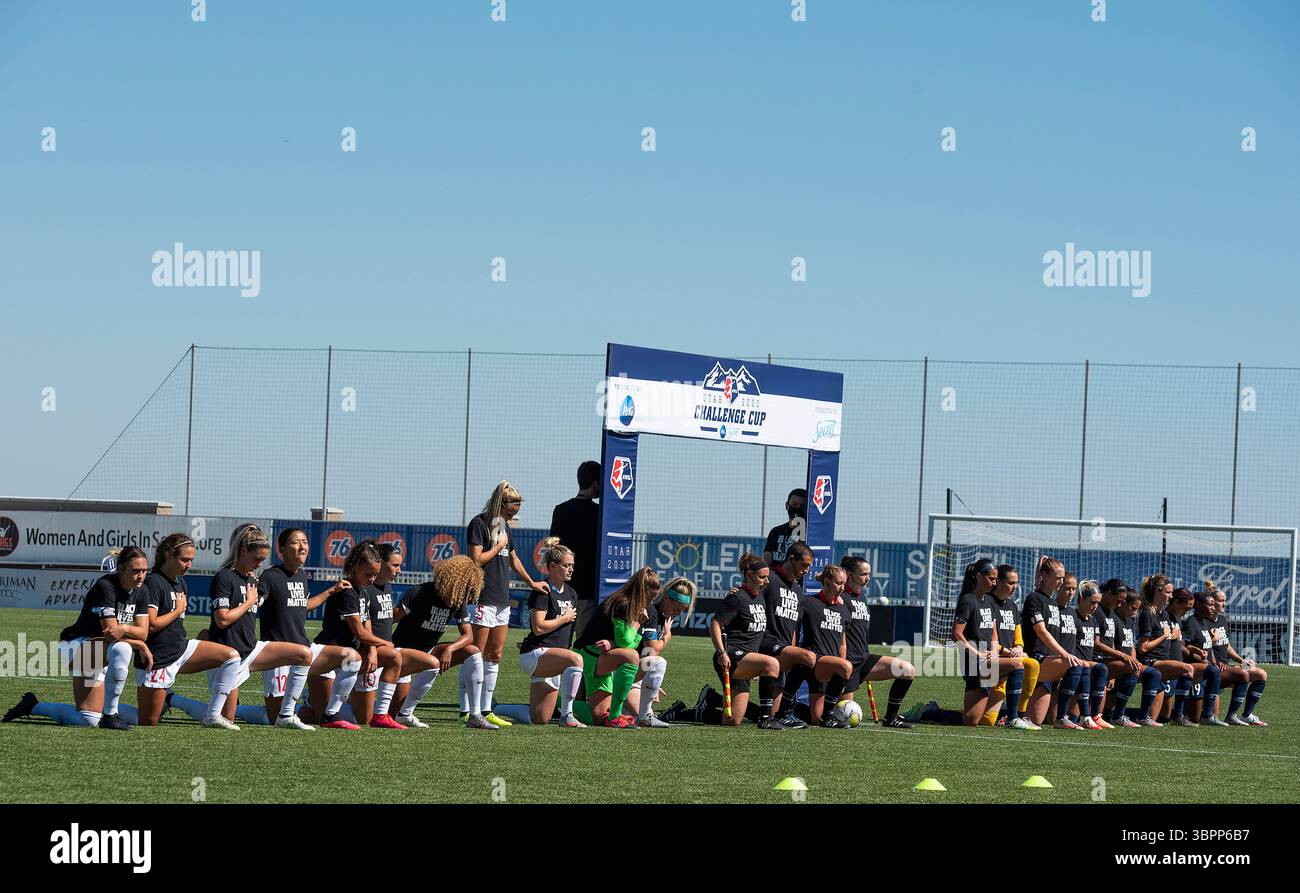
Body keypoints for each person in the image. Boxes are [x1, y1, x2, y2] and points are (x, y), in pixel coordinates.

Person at [166, 524, 319, 729]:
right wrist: (248, 602)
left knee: (303, 654)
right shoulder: (224, 577)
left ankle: (287, 715)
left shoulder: (252, 579)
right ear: (243, 551)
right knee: (224, 716)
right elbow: (222, 619)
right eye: (257, 559)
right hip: (228, 653)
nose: (259, 564)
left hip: (250, 649)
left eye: (263, 560)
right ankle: (172, 699)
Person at [4, 546, 153, 729]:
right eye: (136, 571)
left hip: (104, 652)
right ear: (121, 569)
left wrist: (125, 630)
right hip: (78, 647)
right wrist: (137, 642)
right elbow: (111, 633)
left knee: (101, 718)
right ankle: (110, 715)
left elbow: (143, 632)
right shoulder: (106, 586)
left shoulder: (142, 591)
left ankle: (33, 705)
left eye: (145, 571)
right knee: (122, 649)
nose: (141, 575)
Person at [256, 527, 363, 728]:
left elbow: (304, 606)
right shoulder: (270, 576)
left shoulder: (302, 576)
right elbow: (255, 603)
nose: (302, 546)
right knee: (273, 718)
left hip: (304, 650)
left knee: (352, 657)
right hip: (279, 654)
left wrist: (332, 590)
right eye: (295, 542)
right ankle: (240, 710)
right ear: (282, 550)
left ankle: (330, 714)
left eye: (304, 542)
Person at [463, 481, 549, 727]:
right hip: (482, 597)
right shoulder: (479, 523)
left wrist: (532, 582)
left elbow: (513, 558)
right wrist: (498, 545)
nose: (517, 511)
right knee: (475, 655)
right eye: (514, 506)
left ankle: (487, 709)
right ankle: (470, 711)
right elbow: (477, 560)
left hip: (501, 599)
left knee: (495, 654)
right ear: (502, 503)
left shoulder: (505, 528)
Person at [387, 555, 495, 729]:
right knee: (388, 715)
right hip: (402, 655)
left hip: (428, 652)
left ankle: (474, 716)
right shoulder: (420, 593)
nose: (468, 593)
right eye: (466, 587)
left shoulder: (456, 601)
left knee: (473, 651)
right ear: (454, 581)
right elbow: (389, 620)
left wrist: (450, 649)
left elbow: (468, 636)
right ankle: (402, 713)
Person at [693, 553, 782, 728]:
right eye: (762, 577)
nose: (766, 581)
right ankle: (766, 719)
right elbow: (715, 625)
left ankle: (686, 711)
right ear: (749, 575)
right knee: (772, 664)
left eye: (767, 577)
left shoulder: (760, 598)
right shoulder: (736, 597)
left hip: (746, 658)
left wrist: (754, 664)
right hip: (731, 657)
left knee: (732, 720)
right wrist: (721, 653)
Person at [570, 567, 660, 727]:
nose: (650, 602)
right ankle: (615, 715)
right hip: (589, 654)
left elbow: (626, 643)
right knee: (632, 656)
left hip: (601, 656)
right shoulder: (622, 603)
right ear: (641, 591)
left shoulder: (632, 604)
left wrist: (613, 643)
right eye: (650, 597)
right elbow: (626, 643)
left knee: (598, 717)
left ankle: (563, 705)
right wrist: (639, 623)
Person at [514, 538, 586, 727]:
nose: (571, 569)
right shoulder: (543, 591)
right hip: (537, 654)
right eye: (566, 565)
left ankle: (494, 708)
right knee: (576, 659)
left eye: (572, 565)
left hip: (555, 656)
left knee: (539, 718)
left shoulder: (571, 593)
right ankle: (567, 715)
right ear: (552, 566)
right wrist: (564, 618)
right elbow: (538, 627)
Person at [837, 556, 915, 728]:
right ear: (849, 574)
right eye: (864, 574)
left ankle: (891, 718)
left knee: (907, 670)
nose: (868, 578)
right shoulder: (840, 597)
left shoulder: (862, 598)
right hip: (847, 663)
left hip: (864, 659)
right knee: (844, 715)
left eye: (869, 574)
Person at [952, 559, 1024, 726]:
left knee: (971, 720)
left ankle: (929, 712)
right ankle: (1013, 718)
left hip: (986, 660)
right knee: (1017, 665)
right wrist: (978, 653)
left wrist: (993, 649)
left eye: (995, 578)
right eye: (991, 578)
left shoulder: (988, 601)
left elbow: (993, 630)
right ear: (978, 577)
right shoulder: (968, 600)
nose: (994, 582)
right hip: (973, 662)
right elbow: (956, 634)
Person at [1020, 556, 1083, 727]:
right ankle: (1061, 718)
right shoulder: (1035, 598)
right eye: (1057, 578)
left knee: (1035, 721)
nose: (1061, 582)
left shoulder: (1053, 602)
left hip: (1048, 662)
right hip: (1036, 659)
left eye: (1062, 578)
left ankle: (1066, 716)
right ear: (1045, 576)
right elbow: (1040, 631)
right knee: (1074, 665)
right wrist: (1064, 655)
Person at [765, 542, 817, 729]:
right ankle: (787, 711)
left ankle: (710, 700)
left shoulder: (797, 591)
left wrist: (792, 652)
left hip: (784, 649)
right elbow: (748, 596)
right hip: (765, 644)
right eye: (805, 565)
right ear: (791, 559)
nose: (807, 570)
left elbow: (794, 628)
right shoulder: (769, 579)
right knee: (808, 657)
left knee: (766, 715)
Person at [549, 460, 601, 640]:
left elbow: (553, 549)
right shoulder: (600, 513)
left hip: (563, 588)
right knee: (585, 644)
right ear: (595, 483)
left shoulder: (561, 510)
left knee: (558, 643)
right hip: (588, 588)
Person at [798, 565, 855, 727]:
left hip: (834, 666)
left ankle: (796, 709)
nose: (842, 587)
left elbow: (843, 642)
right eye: (838, 583)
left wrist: (843, 671)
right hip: (815, 661)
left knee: (816, 719)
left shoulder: (843, 609)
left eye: (844, 583)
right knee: (823, 718)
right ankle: (829, 717)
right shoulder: (809, 603)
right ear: (827, 581)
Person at [984, 563, 1039, 730]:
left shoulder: (1013, 605)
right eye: (1010, 583)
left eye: (1016, 583)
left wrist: (1020, 648)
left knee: (1032, 663)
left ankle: (1018, 715)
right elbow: (987, 639)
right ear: (998, 582)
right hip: (993, 661)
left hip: (1010, 660)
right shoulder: (987, 602)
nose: (1014, 587)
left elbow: (1018, 635)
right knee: (985, 720)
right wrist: (1008, 652)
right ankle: (932, 712)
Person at [1136, 574, 1193, 727]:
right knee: (1187, 669)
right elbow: (1142, 647)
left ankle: (1137, 716)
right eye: (1168, 592)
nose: (1171, 595)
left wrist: (1172, 637)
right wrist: (1165, 636)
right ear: (1157, 591)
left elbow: (1169, 637)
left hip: (1162, 660)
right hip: (1150, 661)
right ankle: (1179, 715)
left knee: (1155, 720)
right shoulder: (1148, 613)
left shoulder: (1165, 614)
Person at [1210, 587, 1268, 726]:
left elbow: (1226, 645)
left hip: (1225, 666)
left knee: (1261, 674)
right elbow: (1204, 645)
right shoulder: (1204, 621)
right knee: (1242, 674)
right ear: (1212, 602)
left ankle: (1246, 715)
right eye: (1221, 601)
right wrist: (1214, 662)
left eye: (1225, 601)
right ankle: (1231, 716)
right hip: (1213, 668)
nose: (1224, 604)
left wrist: (1241, 660)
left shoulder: (1222, 620)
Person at [1092, 580, 1146, 728]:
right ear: (1108, 593)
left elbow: (1112, 641)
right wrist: (1121, 656)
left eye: (1123, 601)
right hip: (1096, 659)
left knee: (1138, 669)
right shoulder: (1097, 611)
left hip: (1108, 660)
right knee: (1133, 668)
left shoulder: (1111, 613)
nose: (1121, 603)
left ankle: (1116, 714)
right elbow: (1096, 643)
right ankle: (1116, 715)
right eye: (1119, 600)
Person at [1180, 590, 1227, 726]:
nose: (1213, 608)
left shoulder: (1204, 622)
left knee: (1242, 675)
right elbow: (1183, 646)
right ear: (1199, 605)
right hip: (1196, 670)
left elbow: (1207, 648)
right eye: (1210, 605)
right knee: (1192, 717)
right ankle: (1206, 715)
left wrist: (1214, 661)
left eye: (1214, 604)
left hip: (1208, 668)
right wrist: (1197, 655)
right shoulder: (1191, 622)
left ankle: (1228, 715)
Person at [1068, 581, 1111, 729]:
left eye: (1097, 603)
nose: (1095, 606)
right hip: (1074, 661)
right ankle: (1087, 716)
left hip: (1086, 662)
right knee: (1101, 668)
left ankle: (1094, 715)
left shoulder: (1092, 620)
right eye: (1092, 602)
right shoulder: (1073, 616)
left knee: (1101, 669)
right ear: (1081, 599)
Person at [763, 488, 807, 566]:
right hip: (775, 576)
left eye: (802, 506)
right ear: (787, 505)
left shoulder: (808, 534)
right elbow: (767, 562)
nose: (797, 508)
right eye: (794, 504)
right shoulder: (775, 532)